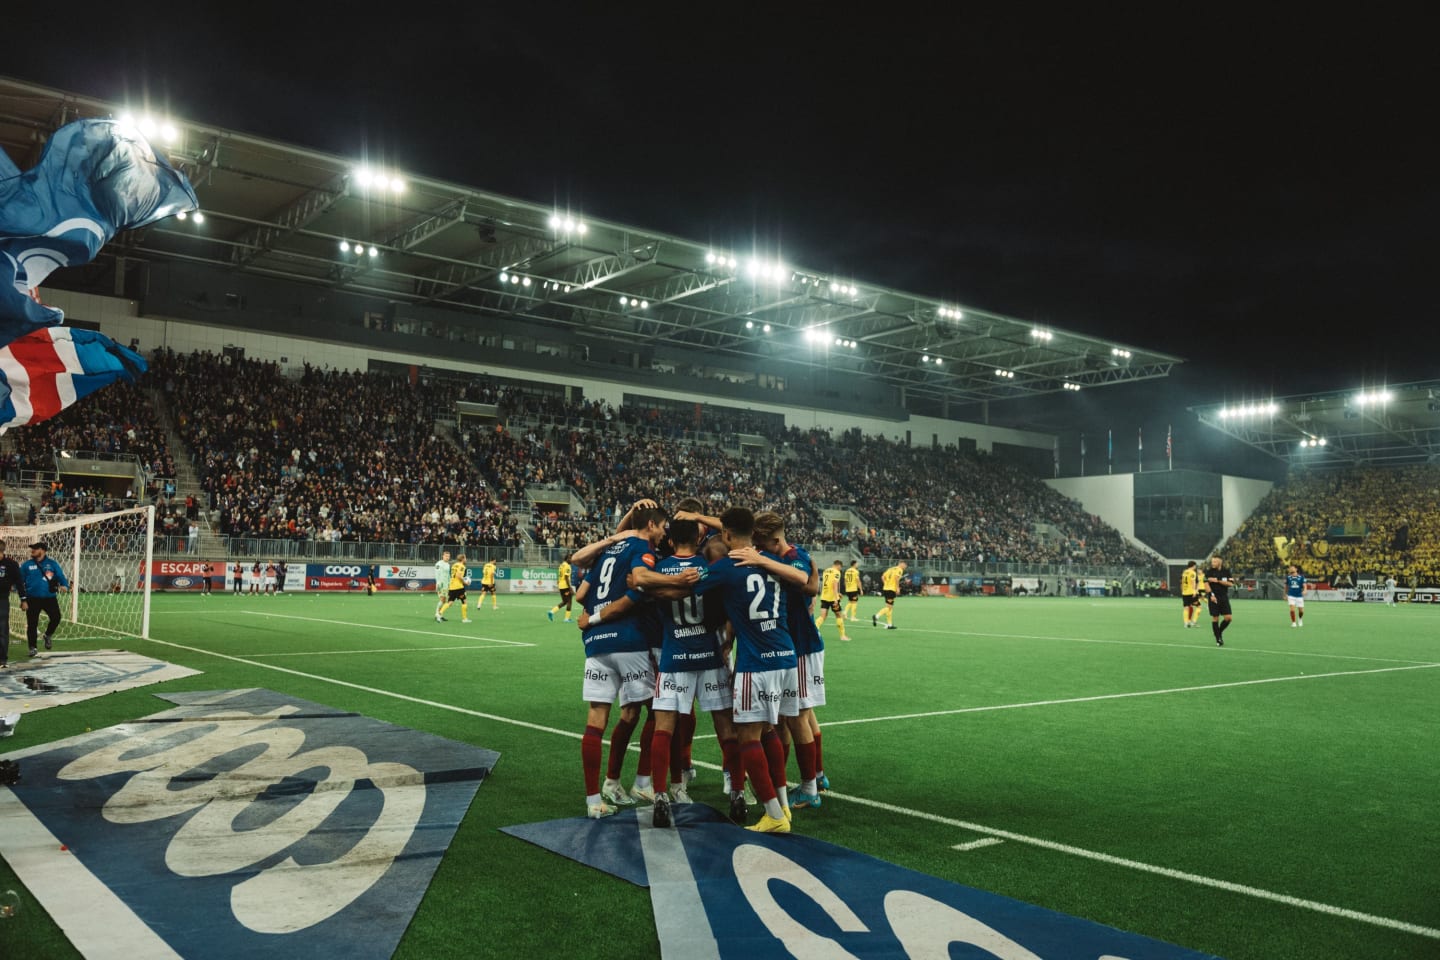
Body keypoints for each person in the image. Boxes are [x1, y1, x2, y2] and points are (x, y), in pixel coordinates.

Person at [634, 519, 737, 827]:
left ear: (671, 538)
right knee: (725, 725)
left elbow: (639, 586)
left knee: (664, 726)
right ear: (698, 537)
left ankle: (662, 794)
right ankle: (737, 791)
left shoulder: (660, 568)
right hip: (709, 652)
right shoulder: (709, 567)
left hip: (674, 654)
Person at [572, 507, 668, 819]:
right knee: (658, 709)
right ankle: (641, 781)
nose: (664, 533)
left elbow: (581, 594)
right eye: (662, 526)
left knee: (596, 720)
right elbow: (637, 594)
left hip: (595, 644)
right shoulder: (643, 549)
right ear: (651, 525)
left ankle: (594, 799)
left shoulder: (606, 553)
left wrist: (592, 619)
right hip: (629, 641)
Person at [752, 511, 829, 811]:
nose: (761, 551)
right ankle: (818, 776)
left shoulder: (794, 556)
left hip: (802, 647)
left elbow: (808, 584)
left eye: (764, 545)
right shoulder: (786, 555)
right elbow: (811, 587)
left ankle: (809, 789)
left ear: (776, 539)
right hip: (795, 646)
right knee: (803, 715)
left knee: (795, 717)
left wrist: (813, 583)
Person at [20, 542, 69, 656]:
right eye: (32, 549)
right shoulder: (26, 565)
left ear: (42, 550)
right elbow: (19, 581)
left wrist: (64, 585)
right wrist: (23, 598)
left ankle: (47, 635)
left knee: (56, 618)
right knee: (32, 624)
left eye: (35, 549)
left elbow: (61, 576)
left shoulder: (52, 564)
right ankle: (32, 647)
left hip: (49, 598)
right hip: (32, 599)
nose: (32, 550)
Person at [0, 544, 26, 668]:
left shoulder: (11, 564)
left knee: (2, 630)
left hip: (2, 600)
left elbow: (19, 583)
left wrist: (23, 599)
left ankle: (2, 660)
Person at [814, 560, 850, 641]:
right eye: (840, 567)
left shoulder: (826, 571)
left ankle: (813, 631)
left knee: (822, 616)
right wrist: (836, 597)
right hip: (832, 598)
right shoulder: (836, 572)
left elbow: (827, 583)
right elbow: (834, 584)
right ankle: (843, 636)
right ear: (839, 566)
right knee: (838, 615)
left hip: (824, 596)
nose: (840, 569)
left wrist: (838, 593)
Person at [1205, 555, 1236, 646]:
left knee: (1228, 618)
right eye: (1212, 562)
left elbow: (1231, 584)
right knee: (1215, 617)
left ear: (1220, 562)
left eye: (1214, 562)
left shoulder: (1226, 571)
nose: (1212, 563)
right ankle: (1218, 638)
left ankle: (1218, 632)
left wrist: (1218, 581)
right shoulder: (1209, 572)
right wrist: (1211, 595)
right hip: (1213, 597)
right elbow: (1206, 585)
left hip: (1223, 597)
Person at [436, 554, 471, 623]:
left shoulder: (454, 565)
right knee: (464, 601)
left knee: (450, 602)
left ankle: (439, 614)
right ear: (463, 559)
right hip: (459, 587)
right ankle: (464, 619)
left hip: (452, 586)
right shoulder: (462, 566)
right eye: (465, 558)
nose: (466, 559)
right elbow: (458, 575)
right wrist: (465, 582)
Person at [873, 560, 906, 629]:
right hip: (891, 589)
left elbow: (882, 577)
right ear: (901, 564)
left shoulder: (890, 569)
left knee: (889, 608)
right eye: (905, 565)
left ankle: (889, 625)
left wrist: (886, 583)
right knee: (889, 607)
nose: (905, 567)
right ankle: (877, 616)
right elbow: (897, 578)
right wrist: (898, 588)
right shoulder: (899, 570)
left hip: (886, 589)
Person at [548, 554, 574, 622]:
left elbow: (560, 576)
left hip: (561, 586)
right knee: (569, 602)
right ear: (567, 559)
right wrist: (570, 588)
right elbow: (566, 577)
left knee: (565, 601)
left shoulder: (561, 565)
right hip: (565, 586)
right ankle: (567, 618)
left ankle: (552, 612)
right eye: (570, 558)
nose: (572, 560)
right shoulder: (568, 566)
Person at [1180, 560, 1202, 628]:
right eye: (1195, 566)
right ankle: (1193, 622)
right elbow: (1193, 582)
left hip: (1185, 592)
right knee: (1199, 606)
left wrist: (1182, 590)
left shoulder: (1184, 572)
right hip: (1191, 592)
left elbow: (1182, 582)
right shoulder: (1192, 573)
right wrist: (1194, 591)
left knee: (1186, 607)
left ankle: (1186, 623)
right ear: (1193, 566)